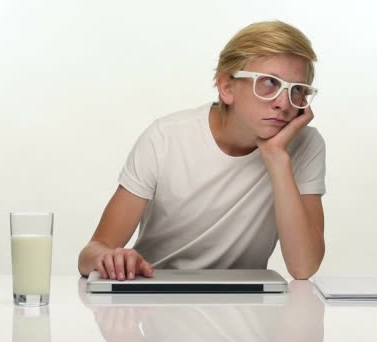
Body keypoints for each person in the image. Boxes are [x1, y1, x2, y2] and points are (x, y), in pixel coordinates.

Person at [78, 20, 326, 281]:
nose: (284, 103)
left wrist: (277, 159)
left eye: (297, 90)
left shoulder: (304, 145)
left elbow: (303, 267)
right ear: (227, 87)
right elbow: (91, 253)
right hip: (156, 298)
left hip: (244, 305)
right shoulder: (166, 137)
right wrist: (109, 258)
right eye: (268, 83)